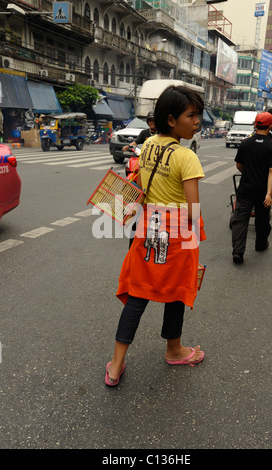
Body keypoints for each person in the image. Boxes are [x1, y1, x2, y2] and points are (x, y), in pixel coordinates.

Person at [105, 85, 206, 386]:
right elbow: (192, 212)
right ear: (172, 120)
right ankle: (174, 350)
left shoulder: (148, 146)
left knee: (138, 294)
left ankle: (116, 364)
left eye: (199, 115)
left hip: (148, 230)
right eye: (192, 115)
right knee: (176, 292)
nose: (198, 121)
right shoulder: (186, 157)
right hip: (177, 237)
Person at [231, 112, 272, 264]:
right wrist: (269, 194)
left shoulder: (245, 143)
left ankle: (238, 252)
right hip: (262, 191)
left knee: (240, 220)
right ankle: (260, 244)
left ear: (255, 125)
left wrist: (248, 173)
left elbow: (239, 165)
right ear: (270, 126)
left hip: (245, 189)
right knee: (262, 219)